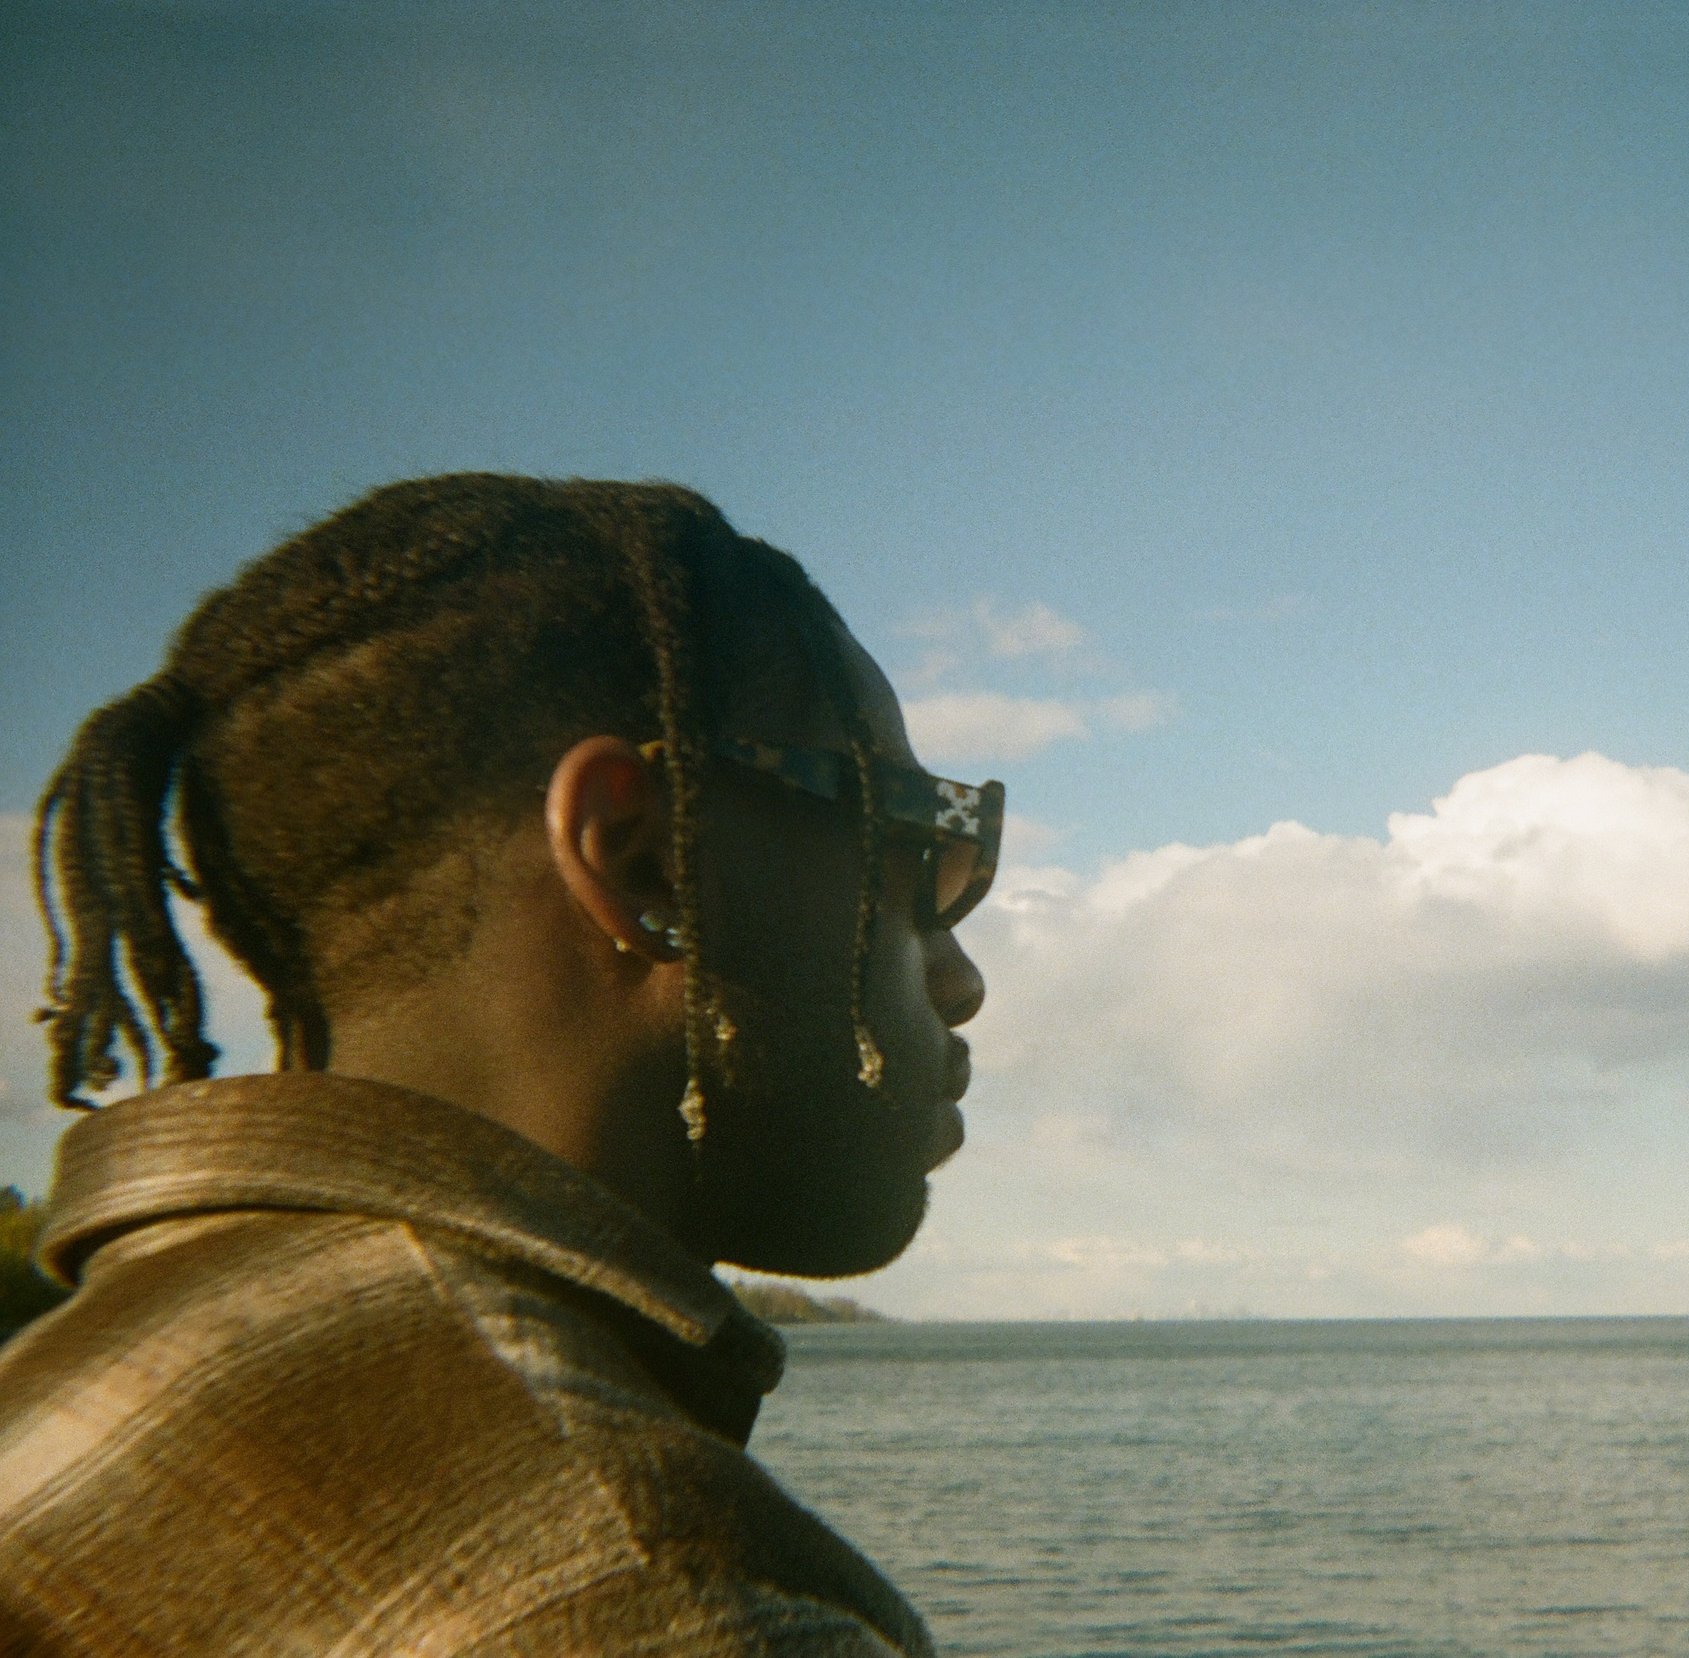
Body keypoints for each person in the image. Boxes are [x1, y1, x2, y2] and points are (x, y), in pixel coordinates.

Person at [0, 476, 998, 1654]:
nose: (960, 977)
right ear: (643, 862)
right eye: (916, 852)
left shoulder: (52, 1390)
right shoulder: (658, 1592)